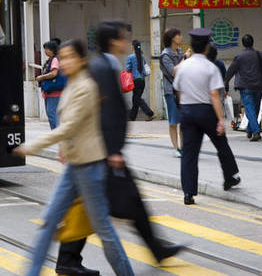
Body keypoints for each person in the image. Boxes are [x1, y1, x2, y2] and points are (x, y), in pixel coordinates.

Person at [57, 21, 181, 275]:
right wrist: (112, 150)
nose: (127, 41)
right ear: (114, 40)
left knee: (127, 201)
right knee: (93, 206)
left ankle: (156, 248)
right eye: (124, 37)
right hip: (102, 152)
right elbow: (106, 113)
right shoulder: (103, 67)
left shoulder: (102, 64)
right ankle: (67, 259)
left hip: (103, 150)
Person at [12, 39, 134, 276]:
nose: (65, 62)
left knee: (104, 230)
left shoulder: (86, 87)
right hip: (74, 166)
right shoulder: (72, 84)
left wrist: (31, 146)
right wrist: (64, 149)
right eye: (62, 57)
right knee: (48, 222)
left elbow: (68, 127)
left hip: (90, 167)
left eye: (69, 57)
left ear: (82, 60)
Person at [173, 28, 240, 205]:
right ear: (207, 47)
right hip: (206, 111)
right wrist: (220, 119)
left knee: (189, 153)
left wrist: (184, 109)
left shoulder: (182, 66)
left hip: (187, 111)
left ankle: (188, 193)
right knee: (221, 143)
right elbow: (214, 95)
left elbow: (178, 91)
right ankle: (230, 176)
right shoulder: (210, 68)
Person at [224, 34, 262, 141]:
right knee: (255, 109)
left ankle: (255, 131)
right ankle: (250, 129)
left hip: (245, 86)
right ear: (253, 42)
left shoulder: (239, 57)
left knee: (250, 109)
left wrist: (226, 81)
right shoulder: (260, 55)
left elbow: (231, 71)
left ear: (243, 44)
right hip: (258, 85)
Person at [160, 27, 185, 157]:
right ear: (173, 38)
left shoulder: (180, 52)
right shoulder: (165, 55)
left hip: (183, 91)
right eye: (179, 35)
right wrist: (185, 58)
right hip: (171, 92)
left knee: (184, 121)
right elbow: (173, 71)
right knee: (174, 121)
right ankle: (176, 148)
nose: (181, 37)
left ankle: (183, 147)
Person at [35, 40, 63, 130]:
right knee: (52, 113)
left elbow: (54, 73)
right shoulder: (50, 60)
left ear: (52, 50)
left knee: (51, 113)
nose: (45, 51)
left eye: (47, 49)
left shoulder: (55, 60)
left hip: (54, 91)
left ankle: (56, 132)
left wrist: (41, 77)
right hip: (50, 91)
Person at [125, 40, 154, 121]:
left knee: (137, 99)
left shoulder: (130, 57)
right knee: (136, 98)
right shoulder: (142, 56)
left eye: (131, 45)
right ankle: (132, 117)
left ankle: (150, 113)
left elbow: (128, 69)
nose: (131, 47)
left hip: (135, 81)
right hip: (142, 81)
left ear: (133, 46)